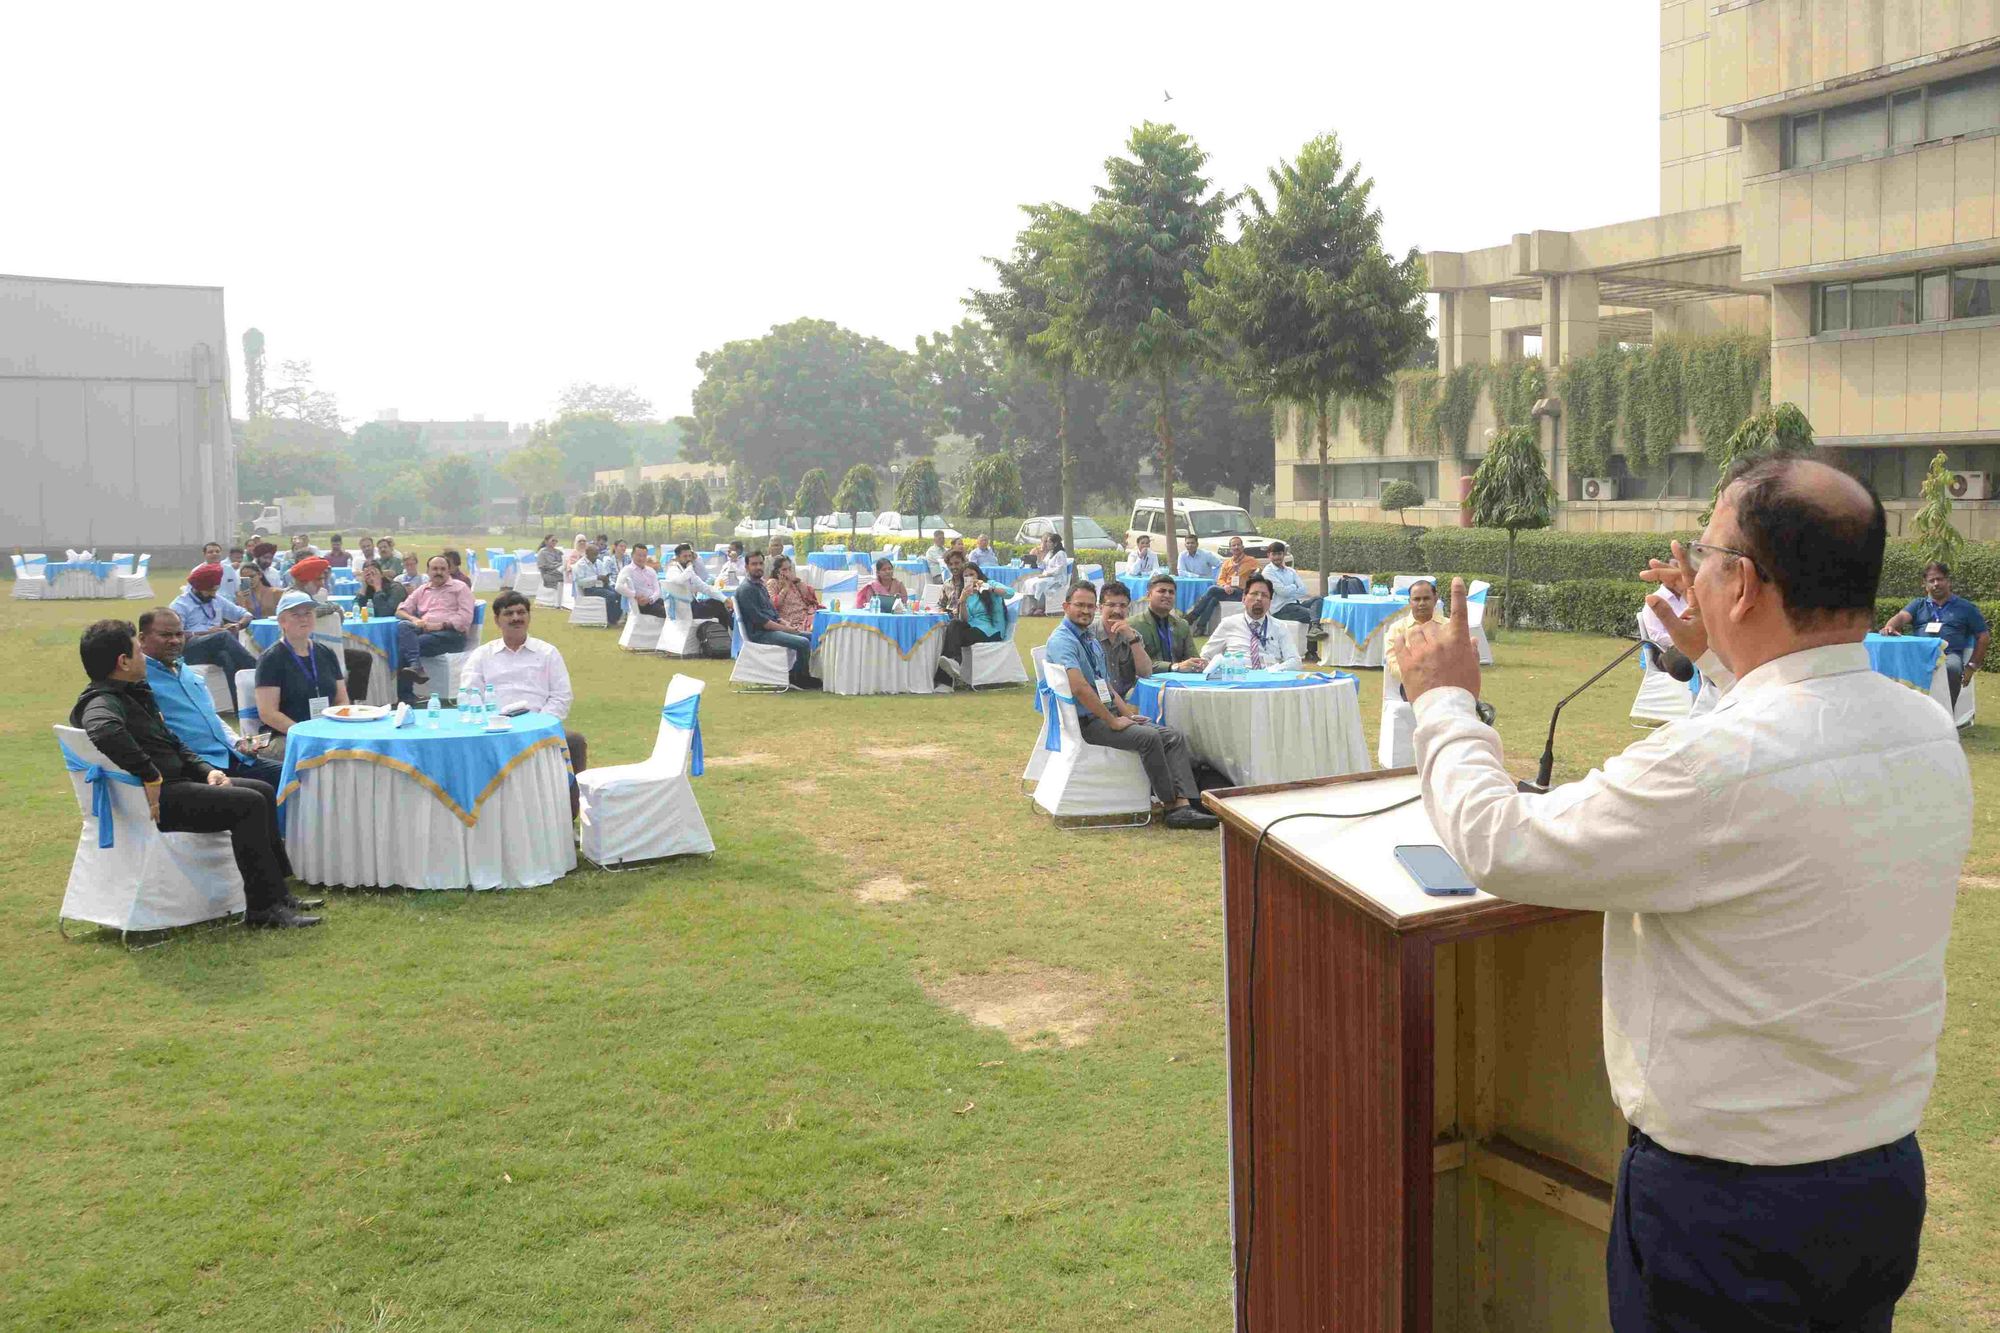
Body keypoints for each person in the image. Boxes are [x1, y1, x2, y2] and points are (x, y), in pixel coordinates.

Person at [1398, 457, 1968, 1333]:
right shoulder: (1923, 730)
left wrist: (1443, 702)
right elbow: (1786, 765)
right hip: (1875, 1180)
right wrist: (1722, 665)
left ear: (1740, 584)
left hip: (1728, 1210)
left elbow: (1497, 838)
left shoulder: (1716, 766)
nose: (1689, 569)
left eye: (1705, 550)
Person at [72, 619, 318, 928]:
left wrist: (206, 771)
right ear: (122, 662)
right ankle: (262, 910)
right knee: (249, 803)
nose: (141, 657)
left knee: (262, 791)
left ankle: (278, 894)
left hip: (181, 784)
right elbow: (104, 730)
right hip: (162, 799)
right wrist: (150, 775)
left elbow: (172, 742)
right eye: (137, 650)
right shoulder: (102, 701)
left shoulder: (131, 692)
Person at [1044, 582, 1216, 829]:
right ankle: (1170, 806)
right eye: (1080, 605)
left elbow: (1106, 685)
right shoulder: (1063, 640)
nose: (1085, 610)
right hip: (1088, 722)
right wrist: (1113, 721)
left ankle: (1186, 802)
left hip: (1105, 714)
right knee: (1149, 738)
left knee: (1172, 735)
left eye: (1089, 606)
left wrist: (1126, 714)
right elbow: (1079, 687)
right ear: (1066, 606)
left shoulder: (1087, 638)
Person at [459, 591, 588, 817]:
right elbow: (468, 695)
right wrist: (492, 721)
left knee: (575, 741)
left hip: (539, 728)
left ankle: (567, 821)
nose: (516, 618)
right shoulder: (482, 655)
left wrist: (538, 724)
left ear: (529, 617)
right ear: (497, 620)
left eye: (521, 612)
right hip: (494, 729)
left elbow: (561, 696)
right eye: (508, 613)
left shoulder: (547, 652)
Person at [139, 607, 285, 789]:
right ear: (142, 639)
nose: (175, 641)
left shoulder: (184, 670)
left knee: (293, 776)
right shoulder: (140, 679)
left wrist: (238, 742)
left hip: (229, 755)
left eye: (179, 634)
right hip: (198, 767)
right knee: (261, 791)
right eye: (165, 635)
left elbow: (211, 716)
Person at [1883, 560, 1989, 706]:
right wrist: (1890, 626)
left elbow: (1983, 636)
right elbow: (1901, 617)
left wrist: (1972, 666)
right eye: (1931, 580)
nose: (1936, 583)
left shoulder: (1966, 608)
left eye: (1939, 579)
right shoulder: (1918, 604)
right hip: (1919, 654)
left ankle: (1946, 714)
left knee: (1952, 668)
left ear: (1948, 581)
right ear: (1925, 585)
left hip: (1948, 655)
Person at [253, 591, 350, 746]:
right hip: (287, 735)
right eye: (296, 615)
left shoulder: (326, 653)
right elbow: (268, 713)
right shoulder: (271, 659)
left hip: (327, 731)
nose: (304, 618)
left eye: (308, 613)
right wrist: (305, 734)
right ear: (282, 621)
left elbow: (342, 699)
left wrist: (332, 728)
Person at [288, 555, 373, 700]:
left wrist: (333, 609)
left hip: (321, 649)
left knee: (362, 658)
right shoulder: (293, 596)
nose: (322, 584)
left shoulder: (311, 594)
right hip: (301, 652)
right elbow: (311, 612)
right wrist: (333, 608)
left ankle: (350, 701)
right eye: (319, 579)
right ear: (307, 579)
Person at [392, 556, 474, 704]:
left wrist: (440, 625)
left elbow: (465, 618)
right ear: (428, 571)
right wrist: (414, 620)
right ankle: (415, 667)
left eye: (443, 569)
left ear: (449, 571)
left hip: (452, 634)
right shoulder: (423, 589)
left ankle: (405, 695)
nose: (439, 572)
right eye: (435, 569)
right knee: (403, 627)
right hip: (425, 629)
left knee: (408, 645)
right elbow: (400, 610)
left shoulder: (460, 588)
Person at [734, 550, 820, 689]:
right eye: (754, 564)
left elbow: (772, 612)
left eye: (760, 563)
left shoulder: (759, 585)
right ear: (746, 567)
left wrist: (785, 622)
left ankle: (802, 673)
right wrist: (787, 629)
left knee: (812, 637)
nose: (758, 567)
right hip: (760, 634)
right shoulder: (747, 589)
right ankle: (799, 678)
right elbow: (764, 623)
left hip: (771, 629)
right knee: (803, 642)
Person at [170, 562, 257, 674]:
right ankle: (257, 669)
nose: (213, 594)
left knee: (225, 657)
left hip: (212, 646)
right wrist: (206, 633)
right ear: (197, 588)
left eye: (215, 590)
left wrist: (238, 625)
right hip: (189, 649)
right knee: (223, 635)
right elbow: (176, 636)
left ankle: (236, 690)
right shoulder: (180, 605)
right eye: (209, 591)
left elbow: (246, 615)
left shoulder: (216, 599)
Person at [1204, 575, 1302, 670]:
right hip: (1238, 679)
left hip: (1268, 681)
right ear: (1244, 598)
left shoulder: (1280, 627)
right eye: (1254, 594)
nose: (1259, 598)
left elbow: (1295, 661)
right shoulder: (1229, 623)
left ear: (1270, 602)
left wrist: (1273, 671)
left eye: (1264, 595)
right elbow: (1206, 655)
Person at [938, 561, 1009, 687]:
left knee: (955, 637)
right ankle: (953, 663)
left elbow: (1010, 593)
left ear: (978, 574)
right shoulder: (966, 592)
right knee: (954, 625)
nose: (970, 578)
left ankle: (946, 681)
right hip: (974, 627)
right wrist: (962, 601)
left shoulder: (989, 584)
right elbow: (964, 620)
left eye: (972, 574)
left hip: (992, 630)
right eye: (966, 576)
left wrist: (986, 587)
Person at [1090, 579, 1152, 697]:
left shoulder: (1134, 636)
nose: (1117, 611)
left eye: (1123, 605)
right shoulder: (1089, 635)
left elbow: (1146, 673)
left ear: (1128, 609)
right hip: (1097, 700)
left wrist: (1132, 639)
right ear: (1100, 607)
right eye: (1111, 605)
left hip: (1126, 700)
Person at [1131, 574, 1204, 672]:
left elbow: (1192, 657)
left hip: (1178, 682)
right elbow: (1135, 664)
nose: (1167, 595)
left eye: (1171, 592)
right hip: (1146, 681)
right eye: (1162, 591)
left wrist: (1199, 663)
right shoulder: (1133, 625)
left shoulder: (1181, 625)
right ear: (1149, 595)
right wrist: (1174, 667)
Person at [1259, 541, 1318, 659]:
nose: (1277, 557)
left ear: (1284, 555)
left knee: (1319, 600)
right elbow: (1283, 592)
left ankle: (1316, 626)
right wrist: (1293, 587)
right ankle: (1311, 652)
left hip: (1296, 604)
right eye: (1274, 554)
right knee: (1312, 614)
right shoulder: (1268, 572)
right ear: (1269, 556)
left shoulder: (1290, 571)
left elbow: (1304, 590)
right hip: (1281, 609)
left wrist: (1289, 590)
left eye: (1279, 554)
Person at [1382, 578, 1438, 701]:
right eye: (1417, 599)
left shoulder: (1448, 626)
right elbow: (1393, 663)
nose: (1421, 603)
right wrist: (1418, 677)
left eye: (1426, 598)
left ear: (1435, 599)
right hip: (1413, 685)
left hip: (1446, 683)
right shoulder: (1397, 629)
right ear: (1410, 602)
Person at [1187, 536, 1255, 634]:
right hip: (1227, 591)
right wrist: (1225, 586)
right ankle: (1201, 627)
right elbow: (1220, 579)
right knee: (1213, 599)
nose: (1236, 547)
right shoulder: (1227, 563)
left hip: (1241, 592)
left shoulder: (1251, 561)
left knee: (1212, 589)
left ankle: (1193, 615)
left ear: (1242, 547)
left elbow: (1259, 573)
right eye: (1233, 545)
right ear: (1230, 549)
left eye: (1238, 545)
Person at [663, 543, 732, 626]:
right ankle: (727, 632)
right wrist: (689, 568)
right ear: (678, 558)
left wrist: (724, 599)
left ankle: (725, 632)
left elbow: (704, 587)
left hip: (692, 605)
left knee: (718, 602)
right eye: (685, 556)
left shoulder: (689, 571)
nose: (688, 559)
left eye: (689, 556)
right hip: (682, 610)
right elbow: (677, 582)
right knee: (719, 607)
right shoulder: (673, 570)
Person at [572, 542, 623, 626]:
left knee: (619, 594)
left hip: (602, 585)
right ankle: (610, 619)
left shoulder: (598, 562)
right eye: (594, 555)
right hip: (590, 589)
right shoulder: (580, 565)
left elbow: (604, 574)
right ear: (587, 553)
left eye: (597, 554)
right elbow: (580, 582)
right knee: (611, 596)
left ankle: (615, 618)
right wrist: (596, 578)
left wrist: (606, 579)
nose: (596, 557)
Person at [769, 555, 822, 633]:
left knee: (825, 620)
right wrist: (785, 588)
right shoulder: (773, 583)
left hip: (806, 616)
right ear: (777, 571)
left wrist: (797, 582)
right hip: (791, 621)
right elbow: (775, 605)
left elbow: (808, 597)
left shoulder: (794, 582)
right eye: (784, 569)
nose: (788, 572)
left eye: (789, 569)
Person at [616, 544, 667, 617]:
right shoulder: (627, 570)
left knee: (673, 608)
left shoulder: (651, 571)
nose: (642, 558)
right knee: (666, 612)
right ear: (632, 555)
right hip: (641, 605)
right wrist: (634, 595)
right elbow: (618, 587)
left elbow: (657, 591)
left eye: (644, 556)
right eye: (639, 555)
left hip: (653, 600)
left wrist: (650, 599)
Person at [1023, 535, 1070, 613]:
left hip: (1057, 578)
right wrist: (1038, 558)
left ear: (1055, 543)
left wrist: (1048, 574)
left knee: (1040, 583)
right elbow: (1042, 565)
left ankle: (1041, 607)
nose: (1047, 543)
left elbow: (1060, 568)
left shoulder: (1061, 554)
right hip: (1046, 576)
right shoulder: (1050, 553)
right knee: (1028, 582)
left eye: (1049, 542)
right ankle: (1034, 606)